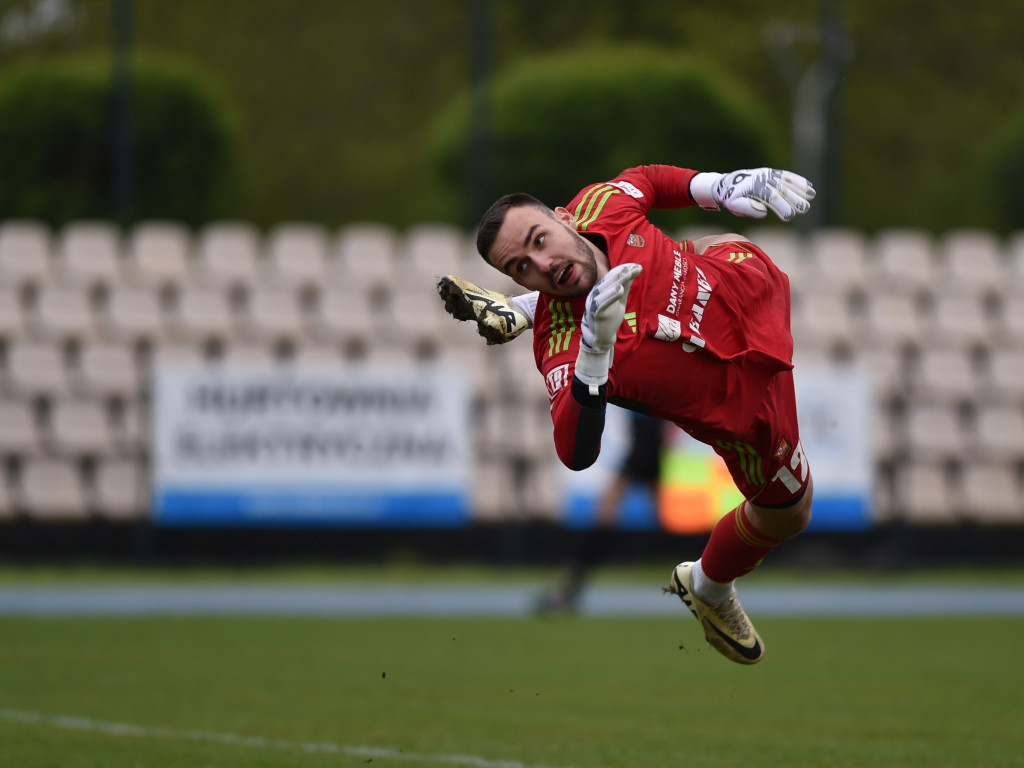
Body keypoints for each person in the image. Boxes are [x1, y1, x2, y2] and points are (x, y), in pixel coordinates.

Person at [438, 165, 816, 665]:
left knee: (720, 238)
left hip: (749, 285)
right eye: (522, 267)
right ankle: (706, 585)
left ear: (565, 216)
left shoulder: (601, 205)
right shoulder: (564, 343)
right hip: (748, 409)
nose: (543, 261)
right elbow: (574, 453)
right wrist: (595, 354)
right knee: (791, 511)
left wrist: (718, 186)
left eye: (540, 239)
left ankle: (521, 308)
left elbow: (649, 180)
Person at [534, 411, 666, 615]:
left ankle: (574, 582)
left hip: (646, 441)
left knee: (607, 514)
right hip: (648, 440)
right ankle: (697, 578)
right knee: (640, 514)